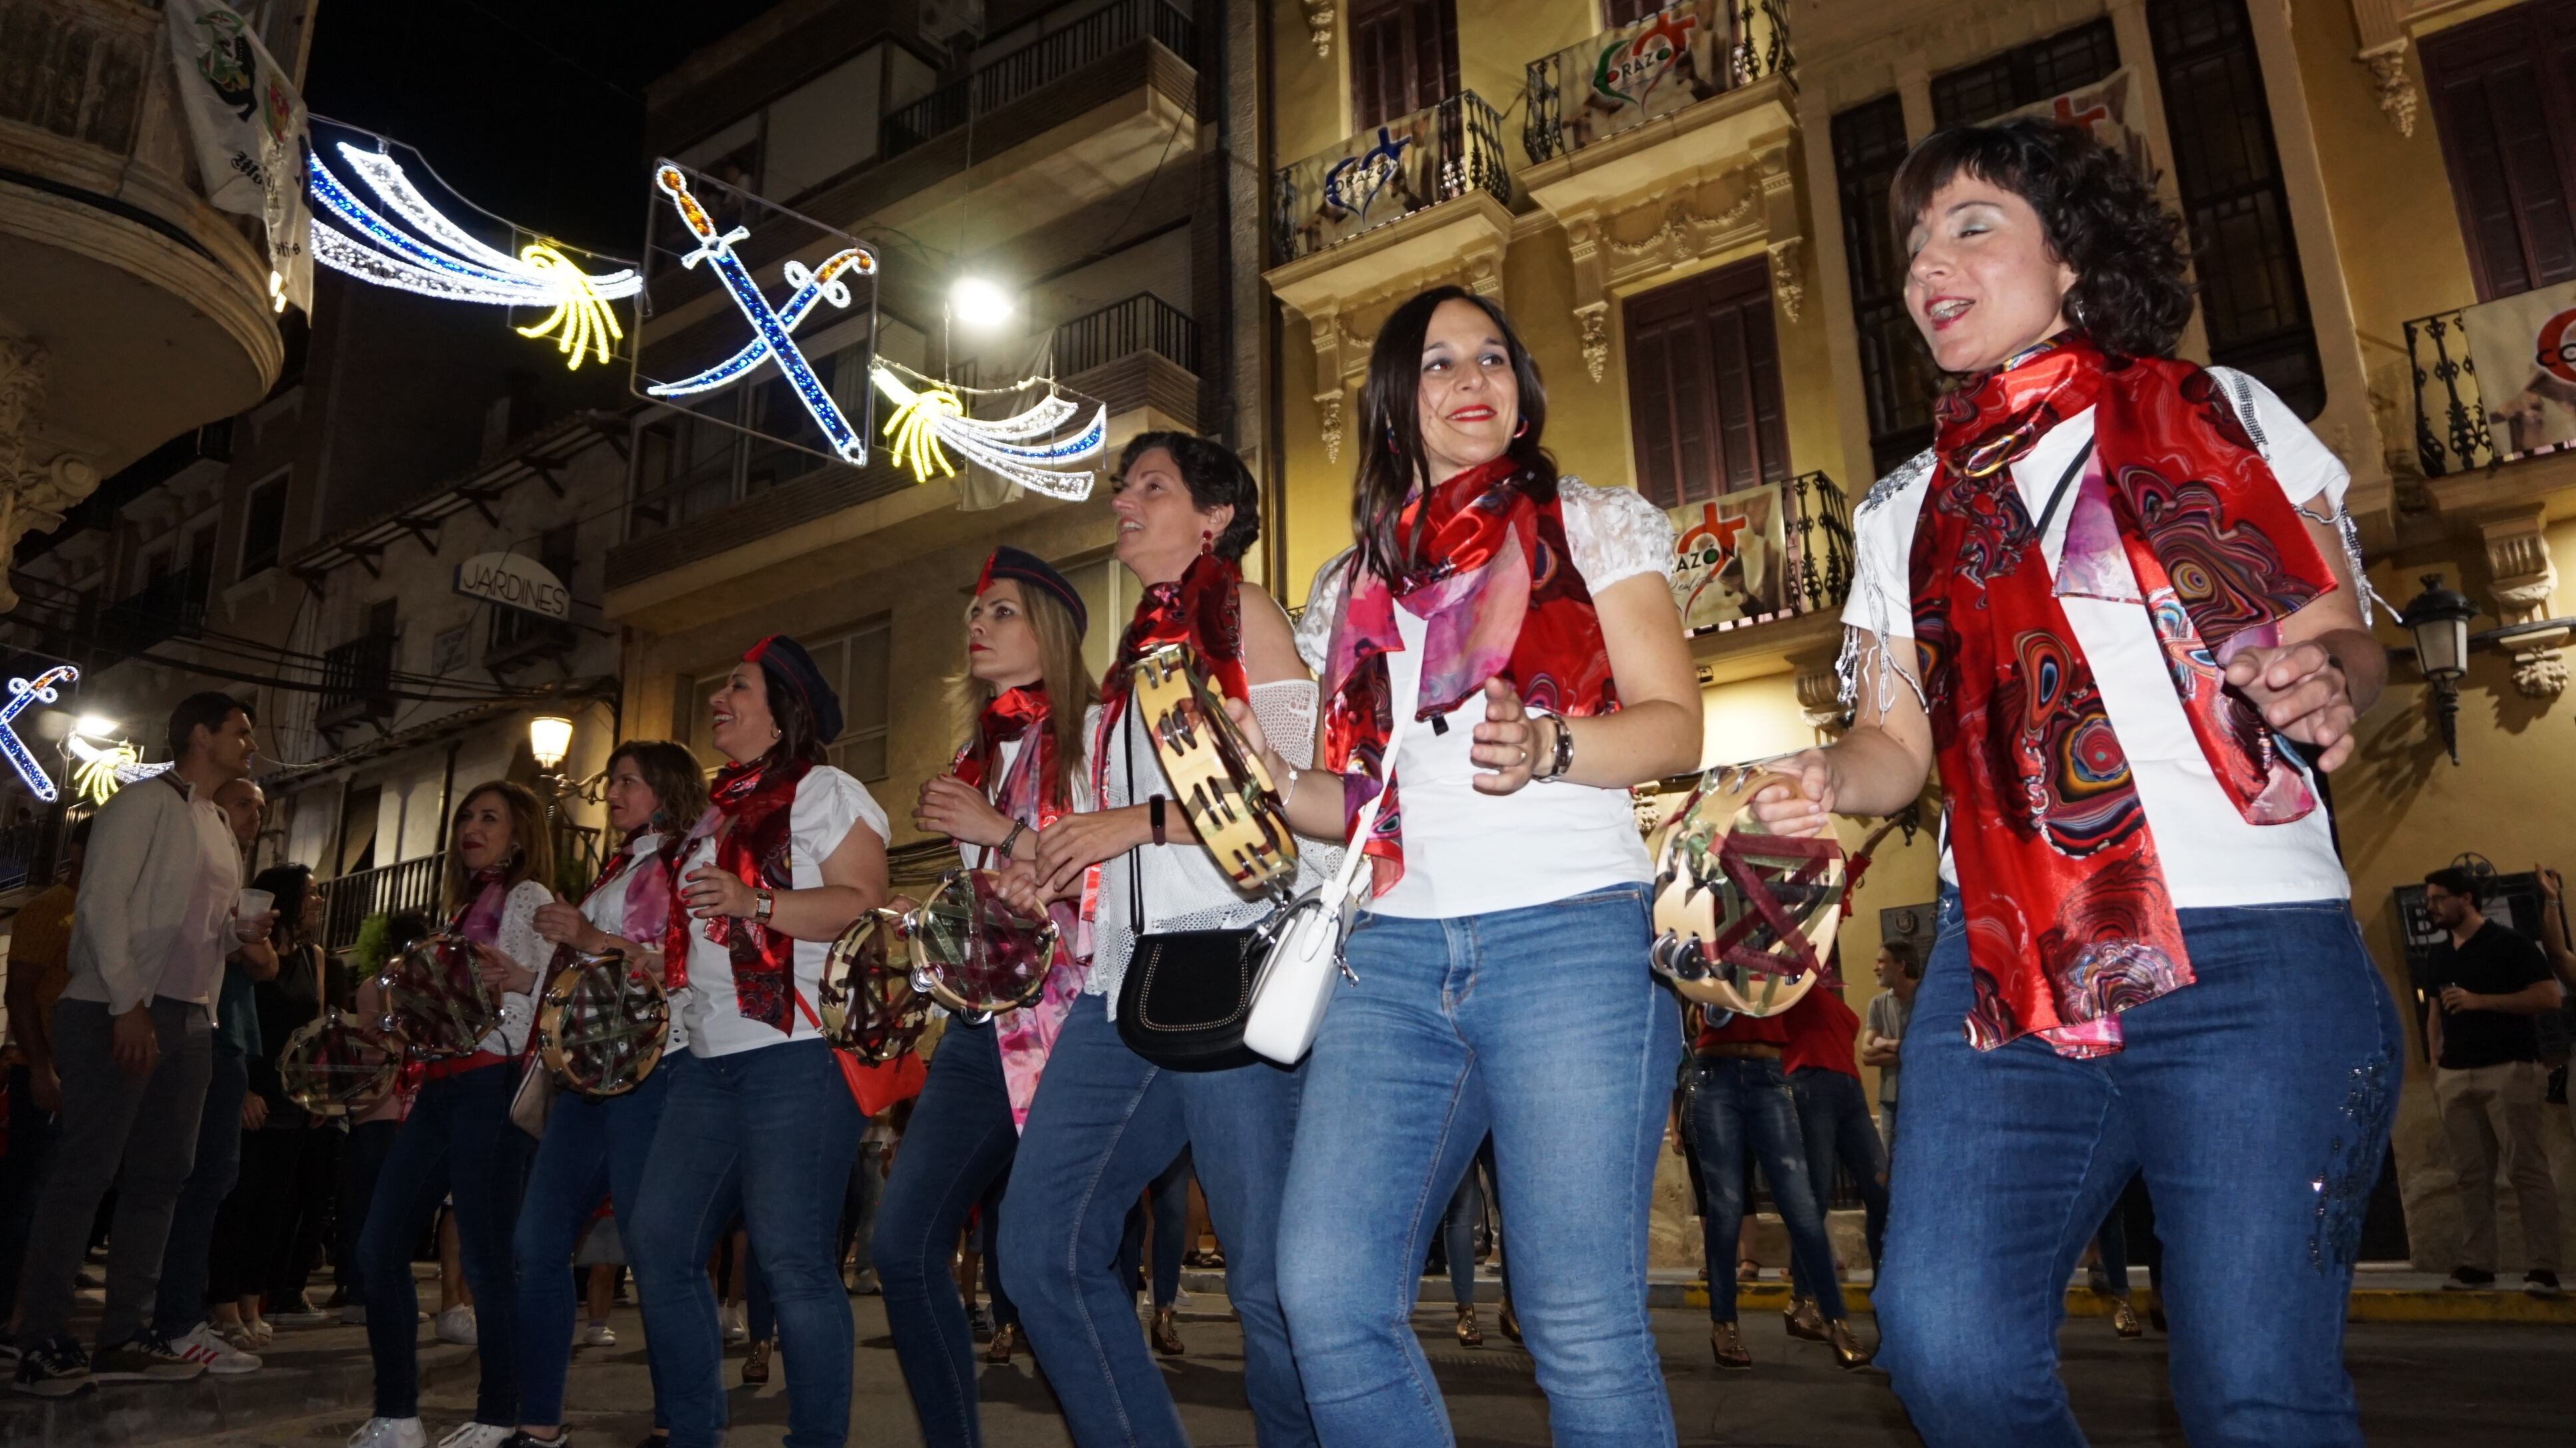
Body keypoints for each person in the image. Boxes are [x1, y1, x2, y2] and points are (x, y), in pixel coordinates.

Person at [1751, 117, 2399, 1446]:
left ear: (2072, 265)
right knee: (1944, 1343)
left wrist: (2328, 679)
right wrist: (1827, 771)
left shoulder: (2214, 411)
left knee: (2253, 1394)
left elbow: (2337, 636)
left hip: (2253, 956)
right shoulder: (1901, 509)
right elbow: (1894, 744)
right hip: (2010, 978)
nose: (1930, 259)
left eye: (1972, 223)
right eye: (1915, 241)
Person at [1245, 285, 1704, 1445]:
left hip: (1572, 942)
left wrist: (1553, 744)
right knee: (1328, 1296)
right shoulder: (1351, 586)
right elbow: (1338, 803)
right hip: (1388, 964)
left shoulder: (1592, 526)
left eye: (1491, 357)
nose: (1470, 380)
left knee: (1577, 1319)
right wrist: (1248, 776)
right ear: (1395, 402)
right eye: (1439, 361)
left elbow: (1673, 726)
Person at [1004, 431, 1324, 1448]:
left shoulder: (1248, 615)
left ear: (1215, 517)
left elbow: (1308, 804)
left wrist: (1129, 825)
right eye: (1121, 487)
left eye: (1153, 486)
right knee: (1039, 1251)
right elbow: (1128, 832)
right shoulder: (1130, 655)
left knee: (1271, 1290)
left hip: (1238, 963)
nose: (1124, 503)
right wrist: (1052, 866)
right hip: (1125, 983)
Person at [624, 635, 889, 1448]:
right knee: (660, 1241)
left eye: (736, 687)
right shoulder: (713, 811)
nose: (717, 699)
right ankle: (693, 1432)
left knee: (793, 1260)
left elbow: (864, 906)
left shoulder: (825, 790)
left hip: (797, 1054)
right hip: (706, 1062)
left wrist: (754, 899)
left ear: (782, 714)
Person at [878, 546, 1099, 1446]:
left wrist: (996, 831)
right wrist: (925, 921)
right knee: (900, 1245)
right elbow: (999, 899)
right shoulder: (980, 749)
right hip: (981, 1030)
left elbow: (1111, 891)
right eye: (975, 612)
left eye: (1000, 612)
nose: (977, 624)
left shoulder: (1093, 734)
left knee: (1062, 1267)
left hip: (1078, 1031)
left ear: (1047, 631)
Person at [11, 692, 263, 1397]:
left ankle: (127, 1332)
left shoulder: (218, 822)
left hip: (190, 1018)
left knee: (162, 1177)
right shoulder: (140, 804)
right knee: (84, 1172)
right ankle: (44, 1340)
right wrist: (126, 1003)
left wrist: (237, 939)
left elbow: (202, 927)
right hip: (114, 1010)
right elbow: (101, 903)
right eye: (240, 732)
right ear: (201, 735)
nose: (250, 743)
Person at [345, 782, 556, 1448]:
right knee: (377, 1249)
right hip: (436, 1087)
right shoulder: (457, 912)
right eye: (466, 815)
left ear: (521, 834)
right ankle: (398, 1413)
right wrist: (394, 1001)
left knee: (488, 1260)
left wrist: (511, 983)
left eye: (490, 817)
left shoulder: (529, 899)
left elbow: (545, 994)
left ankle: (498, 1415)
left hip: (491, 1086)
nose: (472, 825)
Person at [512, 740, 709, 1448]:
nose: (612, 793)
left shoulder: (691, 863)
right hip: (585, 1080)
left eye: (626, 780)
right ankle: (537, 1423)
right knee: (536, 1244)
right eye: (612, 781)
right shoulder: (621, 863)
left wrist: (589, 935)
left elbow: (680, 967)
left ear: (665, 788)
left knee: (657, 1252)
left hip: (651, 1075)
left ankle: (675, 1422)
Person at [150, 777, 279, 1375]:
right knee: (170, 1175)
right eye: (243, 804)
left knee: (211, 1177)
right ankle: (167, 1315)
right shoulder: (197, 863)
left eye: (258, 807)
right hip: (187, 1025)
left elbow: (265, 962)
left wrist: (244, 933)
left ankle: (178, 1312)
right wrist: (234, 934)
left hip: (220, 1039)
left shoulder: (237, 882)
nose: (254, 815)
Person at [1683, 1003, 1865, 1371]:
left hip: (1769, 1075)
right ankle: (1724, 1323)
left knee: (1801, 1204)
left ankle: (1835, 1319)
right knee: (1726, 1204)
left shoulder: (1784, 947)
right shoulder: (1707, 945)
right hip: (1713, 1073)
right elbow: (1693, 1010)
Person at [2420, 866, 2564, 1295]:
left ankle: (2543, 1268)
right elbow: (2435, 1012)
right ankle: (2477, 1264)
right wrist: (2435, 1060)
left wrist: (2482, 1001)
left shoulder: (2509, 945)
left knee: (2526, 1170)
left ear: (2466, 898)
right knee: (2469, 1175)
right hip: (2455, 1075)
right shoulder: (2439, 954)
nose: (2431, 907)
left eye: (2438, 898)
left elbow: (2549, 996)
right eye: (2429, 900)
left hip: (2508, 1069)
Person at [213, 863, 334, 1340]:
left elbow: (316, 1029)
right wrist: (239, 1088)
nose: (318, 901)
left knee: (275, 1206)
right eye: (311, 893)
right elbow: (230, 1017)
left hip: (292, 1096)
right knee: (236, 1201)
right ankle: (222, 1306)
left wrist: (320, 1092)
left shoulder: (315, 958)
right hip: (248, 1087)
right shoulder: (246, 953)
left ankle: (251, 1303)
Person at [0, 817, 85, 1338]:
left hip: (80, 1072)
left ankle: (29, 1312)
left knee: (58, 1199)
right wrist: (39, 1066)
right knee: (26, 1199)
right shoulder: (49, 910)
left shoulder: (101, 912)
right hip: (43, 1070)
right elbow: (21, 993)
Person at [1780, 979, 1887, 1342]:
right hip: (1810, 1085)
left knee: (1881, 1191)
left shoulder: (1824, 993)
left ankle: (1887, 1290)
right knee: (1817, 1195)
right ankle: (1802, 1300)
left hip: (1850, 1090)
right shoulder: (1793, 985)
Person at [1114, 1151, 1193, 1357]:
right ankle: (1126, 1319)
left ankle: (1163, 1315)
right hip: (1127, 1126)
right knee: (1127, 1217)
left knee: (1174, 1212)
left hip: (1171, 1128)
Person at [1861, 942, 1917, 1152]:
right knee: (1890, 1167)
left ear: (1901, 965)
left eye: (1881, 961)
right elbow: (1866, 1054)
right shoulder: (1877, 1003)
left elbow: (1930, 1050)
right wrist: (1908, 1049)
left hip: (1924, 1096)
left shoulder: (1928, 998)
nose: (1875, 967)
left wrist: (1884, 1043)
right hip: (1889, 1100)